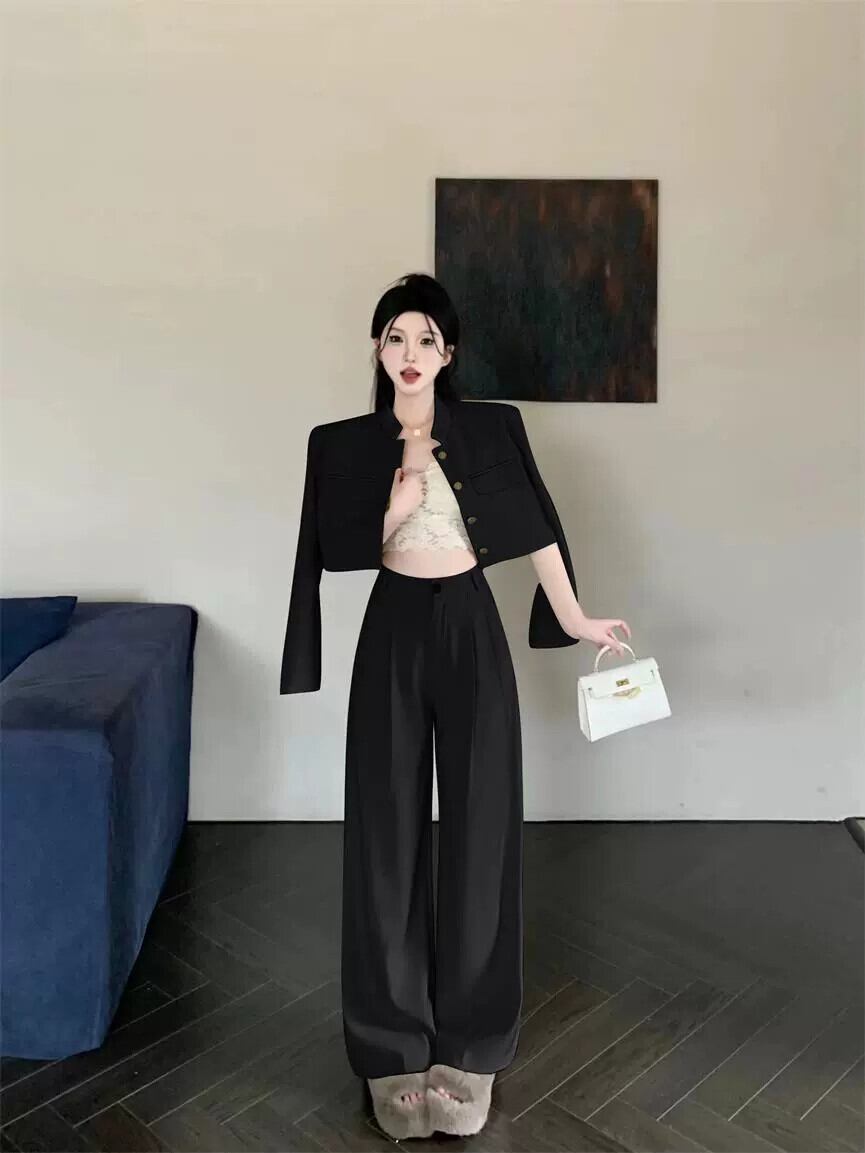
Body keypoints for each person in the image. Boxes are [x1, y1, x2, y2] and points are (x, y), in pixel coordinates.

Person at [280, 272, 630, 1139]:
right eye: (395, 338)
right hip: (392, 628)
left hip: (471, 625)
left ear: (448, 353)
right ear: (377, 348)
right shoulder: (341, 443)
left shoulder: (490, 428)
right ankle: (390, 1048)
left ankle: (471, 1049)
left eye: (425, 340)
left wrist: (575, 617)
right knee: (385, 833)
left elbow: (534, 525)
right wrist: (394, 502)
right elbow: (326, 549)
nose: (410, 354)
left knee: (481, 830)